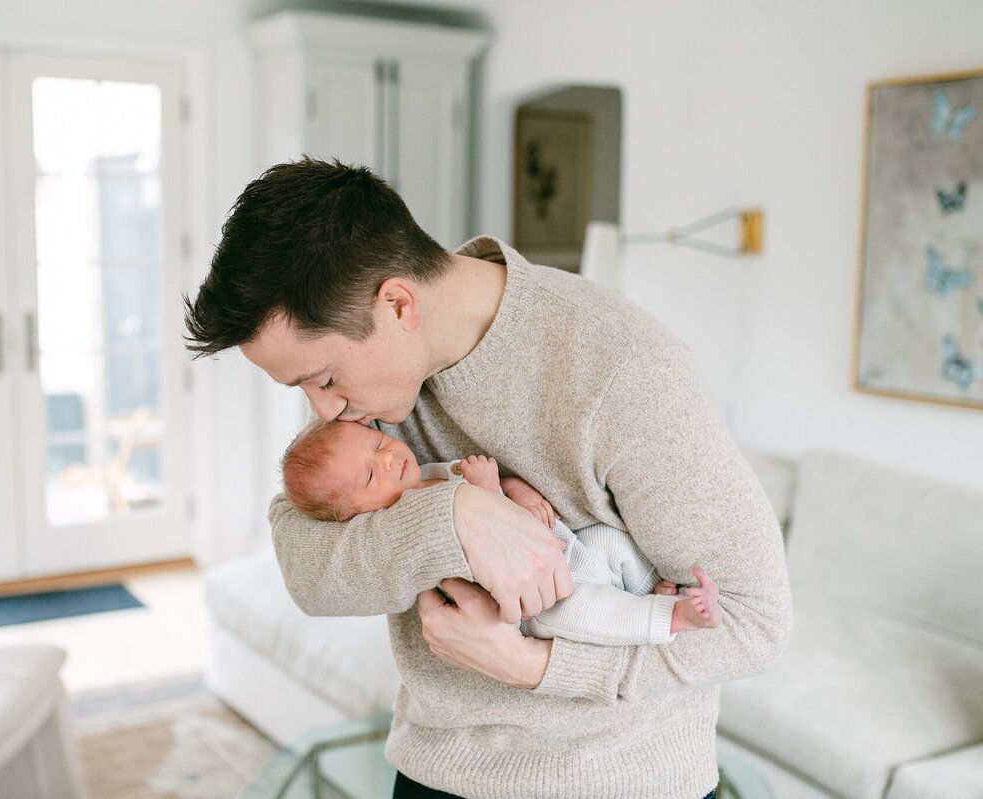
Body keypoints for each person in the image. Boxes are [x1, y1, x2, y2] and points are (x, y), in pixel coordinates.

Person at [184, 158, 791, 799]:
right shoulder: (371, 401)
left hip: (617, 780)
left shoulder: (624, 369)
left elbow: (756, 625)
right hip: (436, 770)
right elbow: (308, 565)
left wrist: (533, 665)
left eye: (325, 378)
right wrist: (459, 517)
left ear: (397, 303)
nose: (322, 409)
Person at [281, 418, 723, 644]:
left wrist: (519, 492)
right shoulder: (391, 530)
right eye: (370, 478)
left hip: (569, 547)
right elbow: (471, 547)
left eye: (378, 445)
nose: (388, 459)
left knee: (611, 540)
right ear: (350, 516)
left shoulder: (434, 470)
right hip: (541, 599)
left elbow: (498, 484)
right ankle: (671, 618)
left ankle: (654, 588)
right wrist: (488, 492)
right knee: (587, 613)